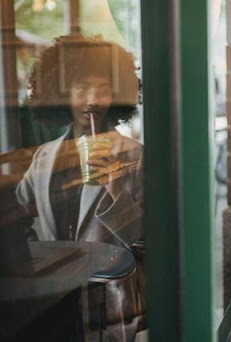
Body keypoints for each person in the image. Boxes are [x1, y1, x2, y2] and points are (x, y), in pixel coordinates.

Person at [16, 33, 145, 341]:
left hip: (108, 307)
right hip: (50, 305)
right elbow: (20, 219)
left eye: (103, 89)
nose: (92, 100)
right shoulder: (45, 157)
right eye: (81, 89)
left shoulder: (135, 156)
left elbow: (152, 240)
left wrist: (117, 191)